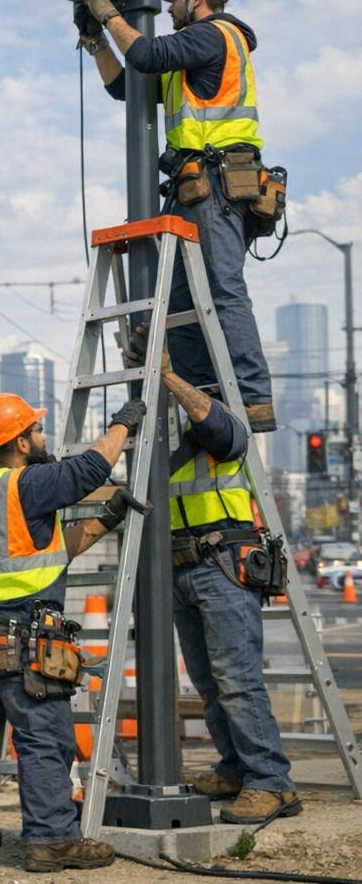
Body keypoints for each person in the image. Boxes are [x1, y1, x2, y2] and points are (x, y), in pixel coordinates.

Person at [0, 392, 146, 872]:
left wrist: (105, 520)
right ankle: (51, 839)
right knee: (43, 738)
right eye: (38, 431)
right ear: (20, 442)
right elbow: (88, 471)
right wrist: (122, 425)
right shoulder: (28, 483)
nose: (45, 438)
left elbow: (43, 556)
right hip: (20, 636)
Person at [79, 0, 274, 433]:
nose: (169, 8)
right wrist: (97, 42)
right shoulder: (187, 56)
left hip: (217, 183)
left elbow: (145, 53)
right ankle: (205, 393)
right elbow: (128, 85)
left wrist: (109, 14)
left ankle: (251, 396)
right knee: (183, 299)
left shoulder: (215, 34)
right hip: (194, 186)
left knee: (223, 288)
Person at [123, 334, 299, 823]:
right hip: (176, 565)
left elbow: (222, 431)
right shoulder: (158, 431)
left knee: (237, 681)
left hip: (221, 561)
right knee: (208, 683)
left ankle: (270, 781)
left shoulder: (221, 418)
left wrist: (167, 373)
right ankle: (235, 767)